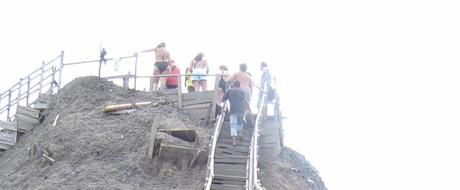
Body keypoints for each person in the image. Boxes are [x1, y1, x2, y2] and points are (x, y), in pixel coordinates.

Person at [222, 81, 249, 146]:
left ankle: (234, 142)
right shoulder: (243, 92)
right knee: (240, 123)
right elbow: (245, 100)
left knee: (233, 126)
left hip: (233, 110)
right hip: (241, 110)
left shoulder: (229, 91)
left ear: (233, 85)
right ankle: (240, 134)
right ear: (239, 85)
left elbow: (223, 99)